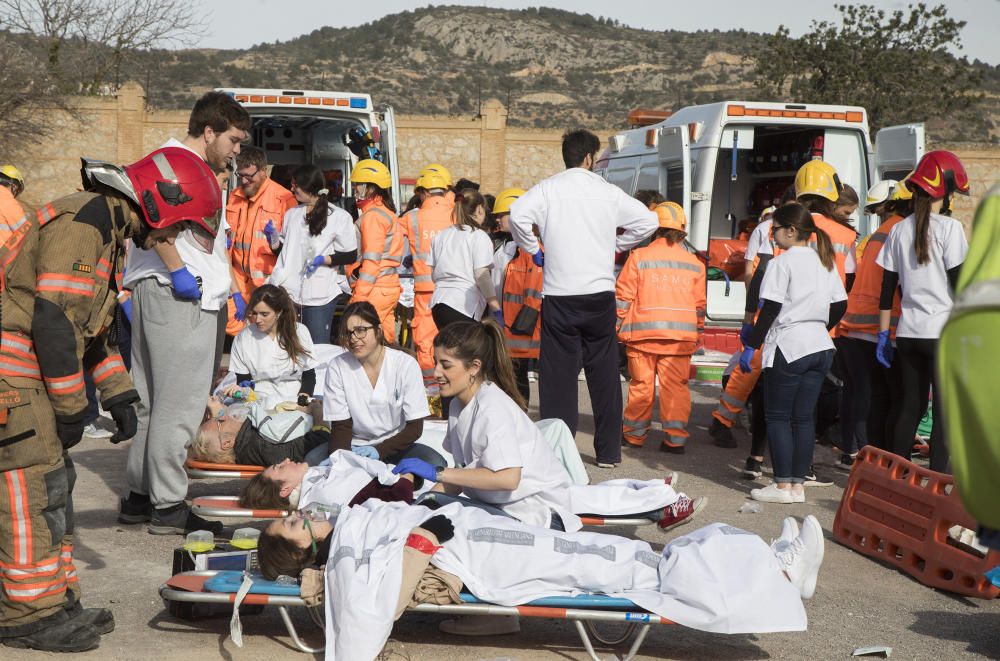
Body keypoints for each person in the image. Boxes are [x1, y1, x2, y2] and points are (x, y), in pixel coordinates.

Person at [0, 147, 220, 652]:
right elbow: (53, 322)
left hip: (28, 374)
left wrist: (119, 394)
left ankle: (53, 601)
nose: (173, 240)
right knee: (29, 492)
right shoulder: (86, 221)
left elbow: (92, 333)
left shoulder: (109, 230)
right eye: (177, 226)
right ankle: (27, 613)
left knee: (54, 488)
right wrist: (72, 405)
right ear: (160, 202)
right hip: (13, 377)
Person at [261, 499, 822, 658]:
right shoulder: (345, 558)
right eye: (295, 523)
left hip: (477, 533)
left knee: (614, 552)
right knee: (616, 564)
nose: (303, 513)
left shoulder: (353, 521)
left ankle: (769, 565)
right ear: (304, 549)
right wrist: (421, 540)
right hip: (483, 553)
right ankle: (774, 571)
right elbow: (374, 609)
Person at [391, 320, 703, 533]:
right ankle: (656, 496)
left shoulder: (491, 409)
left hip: (534, 509)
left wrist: (438, 474)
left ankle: (660, 501)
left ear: (474, 368)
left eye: (446, 365)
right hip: (513, 501)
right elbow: (463, 473)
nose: (437, 372)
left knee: (586, 500)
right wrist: (423, 503)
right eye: (437, 362)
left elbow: (507, 478)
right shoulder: (461, 404)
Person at [121, 91, 251, 535]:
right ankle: (169, 504)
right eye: (233, 140)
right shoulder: (177, 163)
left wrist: (230, 287)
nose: (238, 150)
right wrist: (181, 275)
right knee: (178, 407)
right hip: (179, 298)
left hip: (175, 294)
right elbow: (156, 230)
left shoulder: (191, 168)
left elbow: (207, 241)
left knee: (152, 404)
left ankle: (141, 496)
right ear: (209, 131)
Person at [509, 129, 658, 467]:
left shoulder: (548, 189)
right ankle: (608, 453)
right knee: (603, 375)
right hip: (599, 296)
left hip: (560, 296)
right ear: (590, 158)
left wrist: (534, 250)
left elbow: (517, 215)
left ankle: (560, 455)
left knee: (557, 378)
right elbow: (648, 222)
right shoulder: (607, 192)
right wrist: (616, 246)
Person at [740, 204, 847, 504]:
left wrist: (752, 346)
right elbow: (840, 304)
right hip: (820, 347)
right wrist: (818, 326)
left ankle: (782, 485)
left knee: (777, 416)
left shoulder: (780, 264)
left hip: (789, 347)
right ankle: (797, 485)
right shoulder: (824, 261)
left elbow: (771, 309)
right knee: (803, 420)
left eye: (775, 229)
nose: (772, 235)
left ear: (791, 230)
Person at [876, 150, 969, 473]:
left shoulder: (898, 230)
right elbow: (959, 286)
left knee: (908, 407)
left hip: (908, 334)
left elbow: (887, 289)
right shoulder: (949, 229)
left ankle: (898, 476)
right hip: (943, 334)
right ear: (944, 193)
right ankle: (935, 482)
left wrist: (882, 335)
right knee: (943, 413)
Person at [617, 202, 706, 453]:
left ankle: (634, 436)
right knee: (675, 388)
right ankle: (675, 440)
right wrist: (696, 332)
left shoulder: (638, 257)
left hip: (642, 336)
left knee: (641, 386)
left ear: (653, 229)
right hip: (679, 339)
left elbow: (623, 297)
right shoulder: (694, 263)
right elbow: (699, 305)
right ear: (681, 232)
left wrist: (614, 327)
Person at [836, 179, 910, 465]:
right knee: (881, 401)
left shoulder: (879, 233)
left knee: (858, 396)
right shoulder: (901, 231)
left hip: (855, 324)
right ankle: (871, 463)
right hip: (881, 327)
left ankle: (854, 455)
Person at [314, 301, 442, 466]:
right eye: (348, 333)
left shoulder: (405, 365)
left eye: (361, 331)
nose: (353, 338)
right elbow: (341, 427)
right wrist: (341, 461)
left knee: (435, 463)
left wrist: (379, 451)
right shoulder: (338, 367)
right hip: (354, 445)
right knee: (313, 461)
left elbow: (415, 428)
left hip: (396, 445)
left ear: (378, 330)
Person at [267, 164, 358, 344]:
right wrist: (274, 240)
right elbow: (284, 253)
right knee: (289, 345)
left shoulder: (339, 217)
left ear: (309, 187)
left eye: (296, 185)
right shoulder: (292, 214)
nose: (292, 189)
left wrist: (323, 260)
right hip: (289, 294)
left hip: (320, 296)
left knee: (317, 347)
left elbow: (350, 255)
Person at [225, 146, 296, 335]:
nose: (244, 180)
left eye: (249, 175)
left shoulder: (283, 198)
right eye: (240, 175)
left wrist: (276, 244)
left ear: (264, 171)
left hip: (267, 280)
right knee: (231, 322)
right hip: (238, 277)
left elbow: (293, 248)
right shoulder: (235, 197)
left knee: (266, 331)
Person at [399, 163, 457, 393]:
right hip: (454, 289)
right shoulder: (457, 214)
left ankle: (432, 387)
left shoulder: (412, 218)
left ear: (422, 192)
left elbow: (395, 248)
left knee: (425, 338)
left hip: (425, 289)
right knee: (453, 338)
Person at [227, 284, 319, 407]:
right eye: (254, 313)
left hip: (294, 398)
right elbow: (243, 380)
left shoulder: (299, 332)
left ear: (279, 312)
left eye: (264, 314)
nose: (257, 319)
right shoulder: (243, 338)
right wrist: (244, 392)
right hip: (258, 398)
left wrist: (302, 400)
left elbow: (309, 375)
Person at [491, 188, 539, 405]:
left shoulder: (531, 250)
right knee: (507, 379)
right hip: (507, 328)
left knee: (517, 380)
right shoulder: (506, 249)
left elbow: (534, 293)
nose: (497, 220)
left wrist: (523, 325)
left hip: (521, 329)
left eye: (501, 215)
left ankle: (522, 419)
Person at [428, 190, 501, 330]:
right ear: (479, 209)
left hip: (438, 304)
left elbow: (433, 273)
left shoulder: (441, 236)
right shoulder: (479, 236)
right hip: (464, 305)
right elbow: (482, 275)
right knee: (466, 351)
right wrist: (495, 306)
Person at [349, 159, 403, 343]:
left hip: (375, 289)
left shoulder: (372, 217)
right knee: (384, 342)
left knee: (362, 340)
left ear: (370, 188)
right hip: (386, 287)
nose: (355, 188)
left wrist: (359, 297)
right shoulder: (386, 213)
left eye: (358, 184)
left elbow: (371, 261)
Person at [188, 395, 329, 466]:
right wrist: (319, 416)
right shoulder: (262, 446)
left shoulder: (249, 437)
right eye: (219, 421)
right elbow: (315, 446)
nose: (224, 416)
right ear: (227, 442)